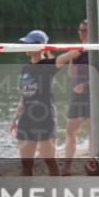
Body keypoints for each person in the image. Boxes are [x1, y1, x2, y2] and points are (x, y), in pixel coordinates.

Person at [12, 30, 59, 176]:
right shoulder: (25, 68)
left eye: (28, 43)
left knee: (50, 161)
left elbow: (68, 56)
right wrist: (15, 118)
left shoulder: (48, 65)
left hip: (45, 118)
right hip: (26, 119)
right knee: (26, 164)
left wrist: (83, 46)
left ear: (39, 46)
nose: (25, 46)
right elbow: (24, 95)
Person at [55, 20, 91, 175]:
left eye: (85, 30)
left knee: (94, 131)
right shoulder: (78, 49)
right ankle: (67, 165)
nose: (81, 32)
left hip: (93, 94)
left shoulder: (97, 49)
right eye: (80, 30)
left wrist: (86, 84)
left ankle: (96, 162)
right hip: (77, 95)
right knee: (70, 130)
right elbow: (71, 72)